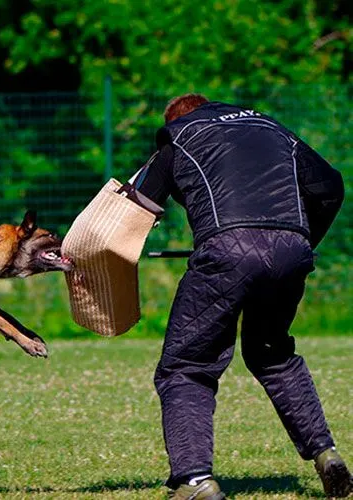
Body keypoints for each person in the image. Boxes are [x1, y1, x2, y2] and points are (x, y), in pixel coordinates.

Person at [136, 94, 350, 499]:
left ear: (175, 119)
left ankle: (195, 480)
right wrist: (301, 238)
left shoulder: (179, 135)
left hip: (226, 250)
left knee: (186, 365)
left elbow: (135, 207)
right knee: (273, 353)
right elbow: (330, 186)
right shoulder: (272, 128)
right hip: (292, 249)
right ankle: (327, 454)